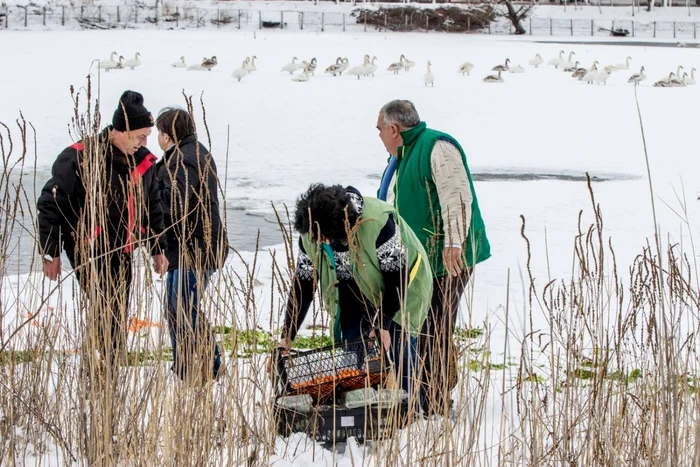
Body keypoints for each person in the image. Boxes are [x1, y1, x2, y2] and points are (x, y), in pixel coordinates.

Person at [375, 99, 491, 415]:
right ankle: (426, 392)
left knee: (435, 325)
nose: (379, 136)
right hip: (421, 260)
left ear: (393, 129)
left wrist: (454, 243)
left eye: (380, 130)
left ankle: (436, 402)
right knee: (426, 323)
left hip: (447, 259)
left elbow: (457, 196)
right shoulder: (403, 155)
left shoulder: (437, 146)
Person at [37, 90, 168, 365]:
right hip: (89, 247)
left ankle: (109, 361)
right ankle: (104, 361)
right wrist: (51, 251)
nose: (145, 142)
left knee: (118, 307)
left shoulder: (143, 161)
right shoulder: (80, 159)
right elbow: (52, 203)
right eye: (140, 136)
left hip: (123, 248)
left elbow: (153, 207)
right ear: (120, 131)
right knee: (107, 303)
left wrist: (158, 248)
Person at [275, 184, 433, 396]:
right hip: (352, 294)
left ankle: (410, 410)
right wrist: (287, 336)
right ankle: (365, 408)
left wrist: (383, 323)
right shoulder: (311, 233)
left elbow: (397, 279)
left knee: (397, 345)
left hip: (402, 287)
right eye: (315, 237)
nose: (318, 241)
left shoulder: (378, 225)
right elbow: (303, 287)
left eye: (323, 237)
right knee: (353, 356)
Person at [155, 107, 229, 382]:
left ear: (166, 135)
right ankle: (184, 363)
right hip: (189, 246)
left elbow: (177, 204)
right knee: (176, 307)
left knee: (183, 306)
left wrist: (152, 198)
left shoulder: (183, 161)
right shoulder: (194, 153)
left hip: (195, 247)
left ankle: (211, 363)